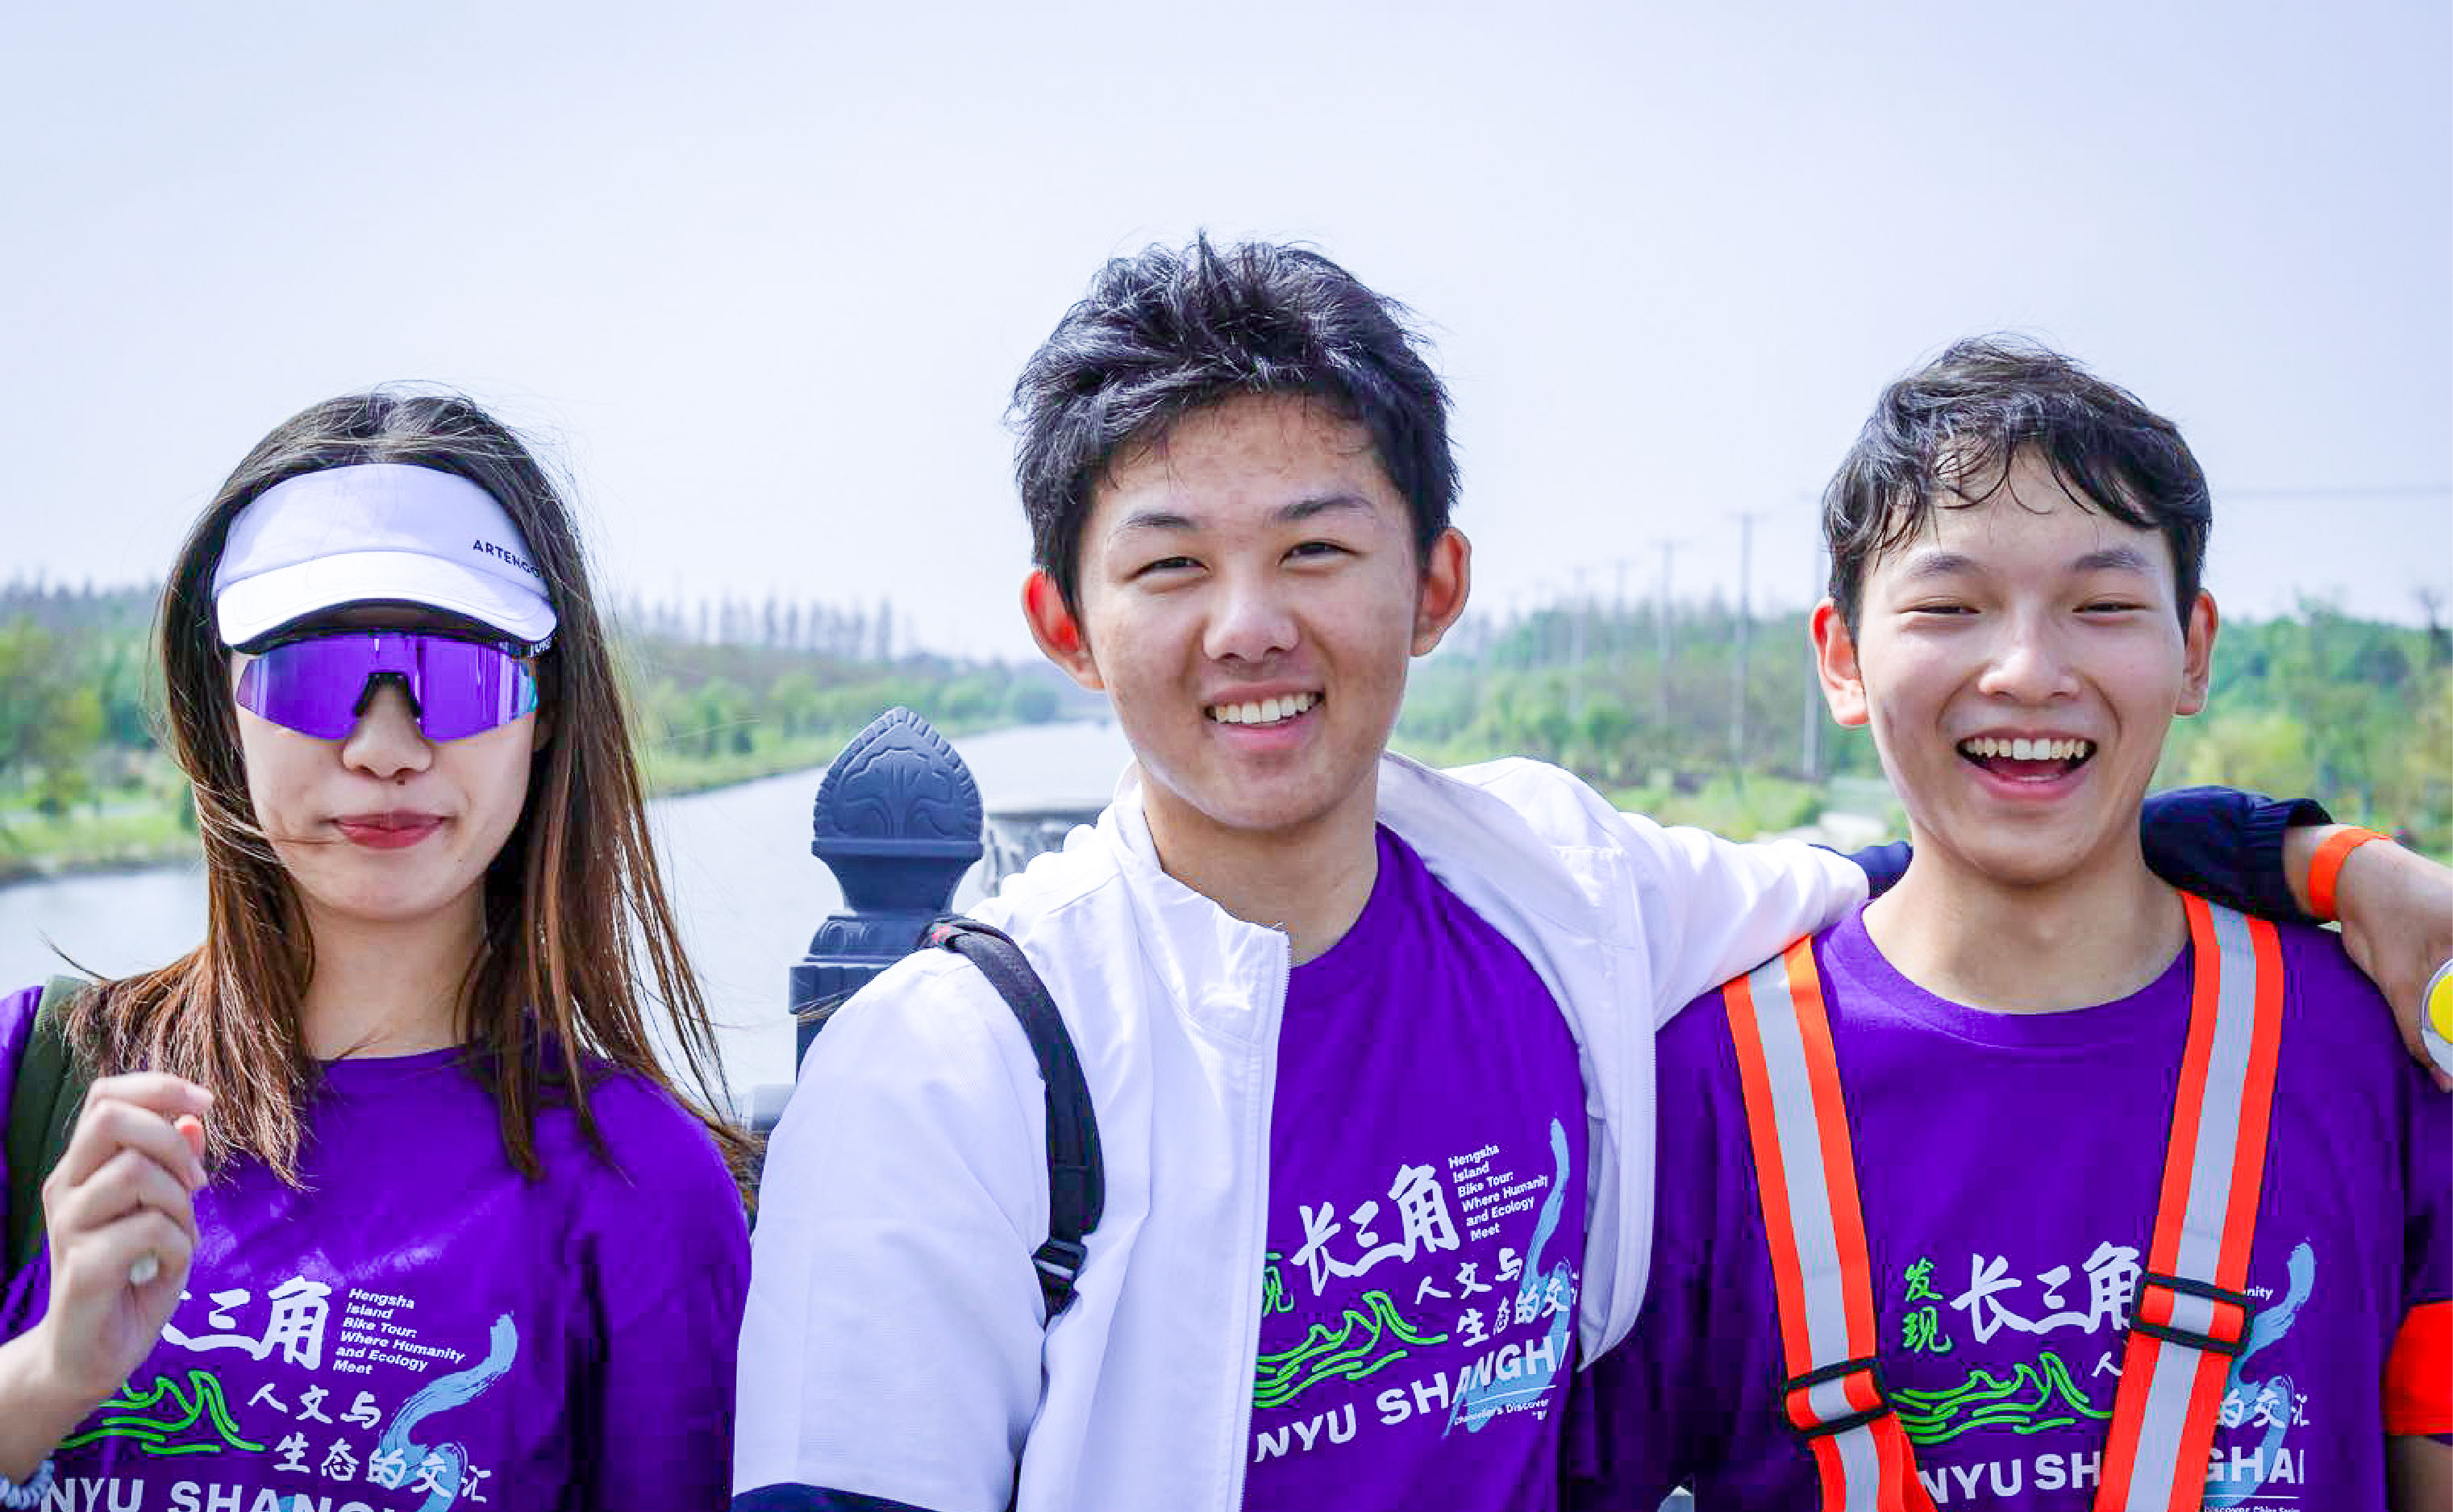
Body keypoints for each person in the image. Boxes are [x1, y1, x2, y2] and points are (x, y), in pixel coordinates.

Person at [733, 242, 2442, 1512]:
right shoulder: (946, 1072)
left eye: (1318, 548)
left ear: (1437, 582)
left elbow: (1939, 876)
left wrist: (2303, 851)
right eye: (1171, 565)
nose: (1251, 627)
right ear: (1065, 627)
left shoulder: (1557, 898)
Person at [1564, 337, 2451, 1510]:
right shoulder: (1704, 1092)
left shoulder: (2370, 1047)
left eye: (2101, 604)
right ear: (1839, 658)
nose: (2027, 671)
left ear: (2192, 651)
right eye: (1948, 605)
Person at [0, 392, 752, 1510]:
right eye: (313, 674)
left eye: (457, 674)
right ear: (225, 701)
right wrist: (52, 1371)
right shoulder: (45, 1077)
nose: (385, 748)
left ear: (544, 710)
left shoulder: (639, 1187)